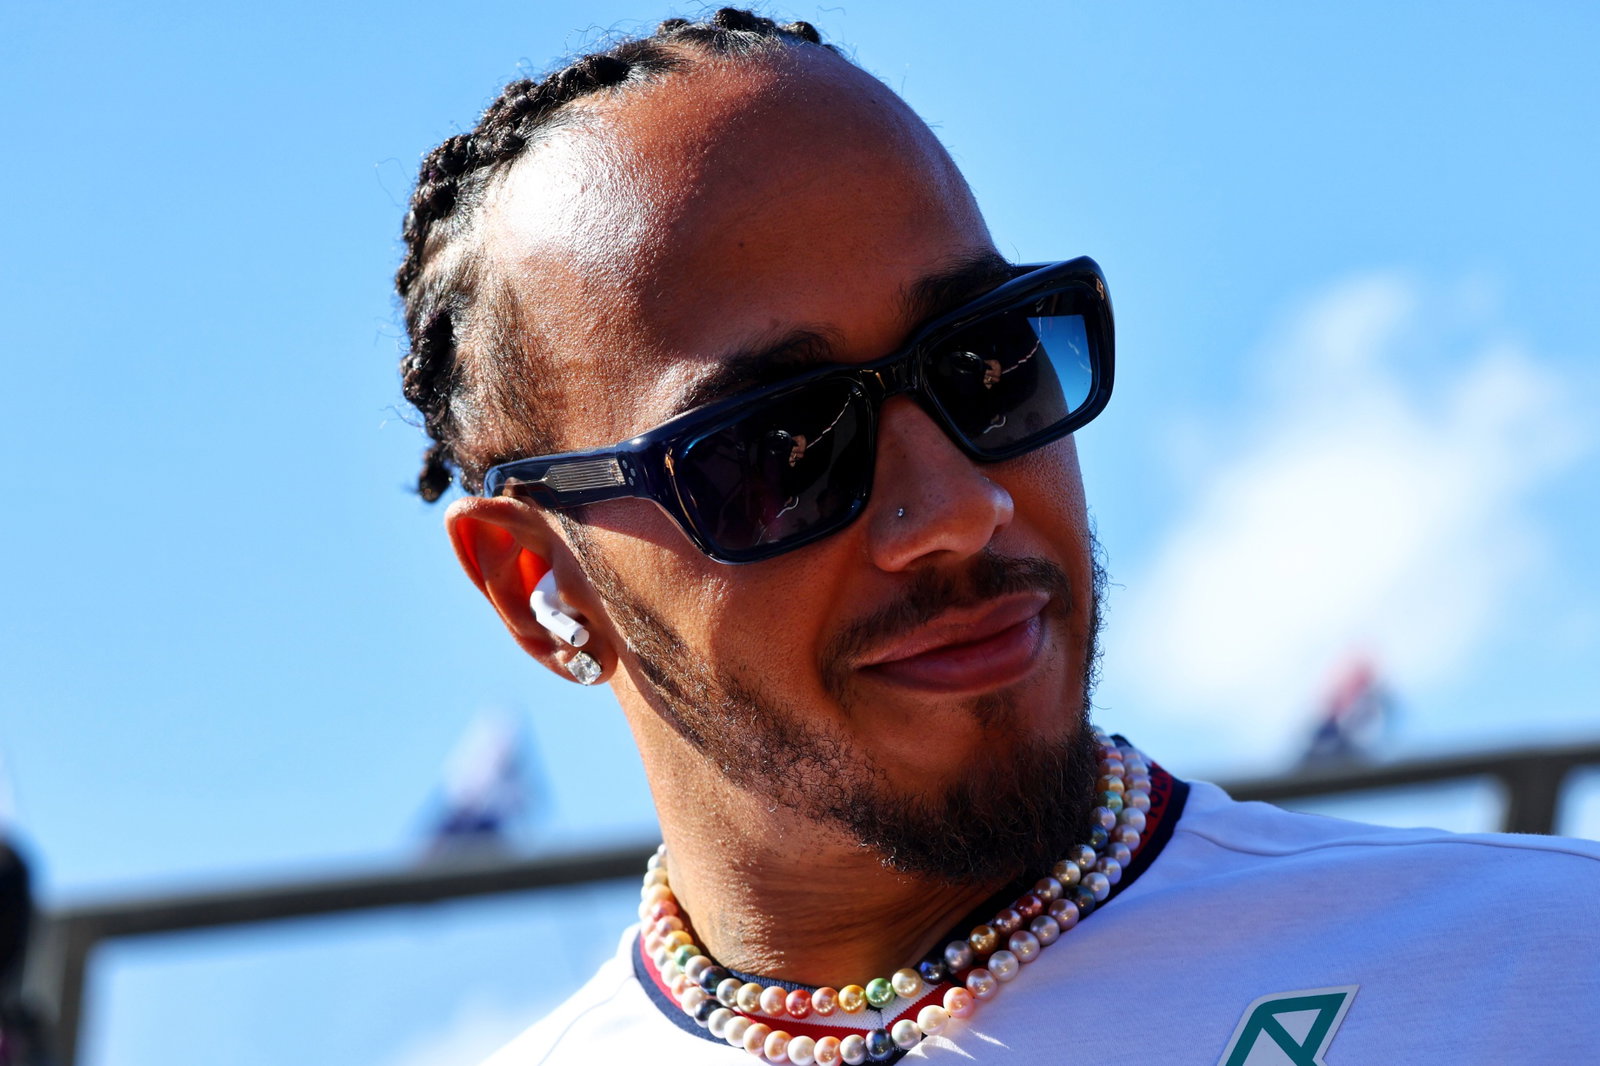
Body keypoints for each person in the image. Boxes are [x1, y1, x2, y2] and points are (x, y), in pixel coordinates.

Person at [392, 10, 1599, 1063]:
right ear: (541, 583)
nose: (961, 508)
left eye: (989, 362)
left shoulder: (1543, 978)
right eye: (780, 448)